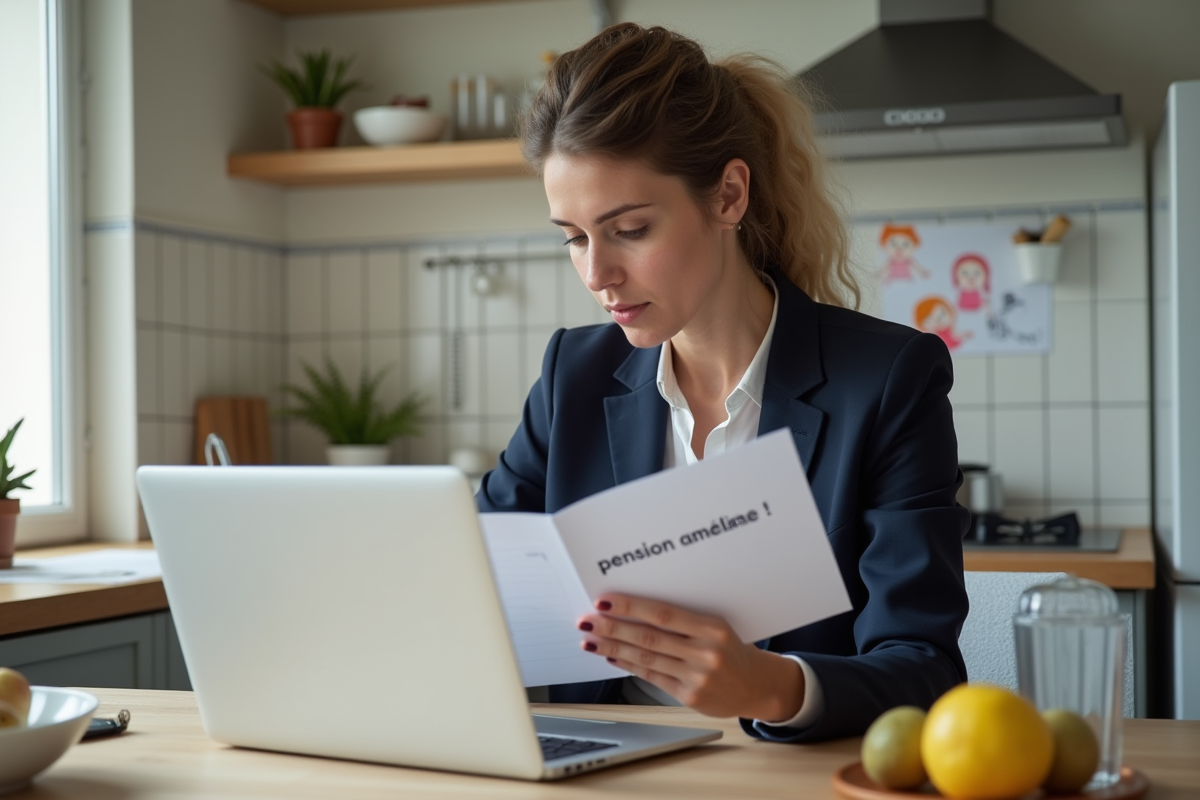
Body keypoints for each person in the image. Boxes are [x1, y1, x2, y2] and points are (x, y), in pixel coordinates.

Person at [476, 22, 969, 744]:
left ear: (729, 195)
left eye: (631, 229)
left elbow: (926, 672)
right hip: (598, 770)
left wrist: (769, 686)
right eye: (575, 237)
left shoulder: (888, 380)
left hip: (787, 778)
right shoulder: (571, 378)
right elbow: (471, 582)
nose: (596, 275)